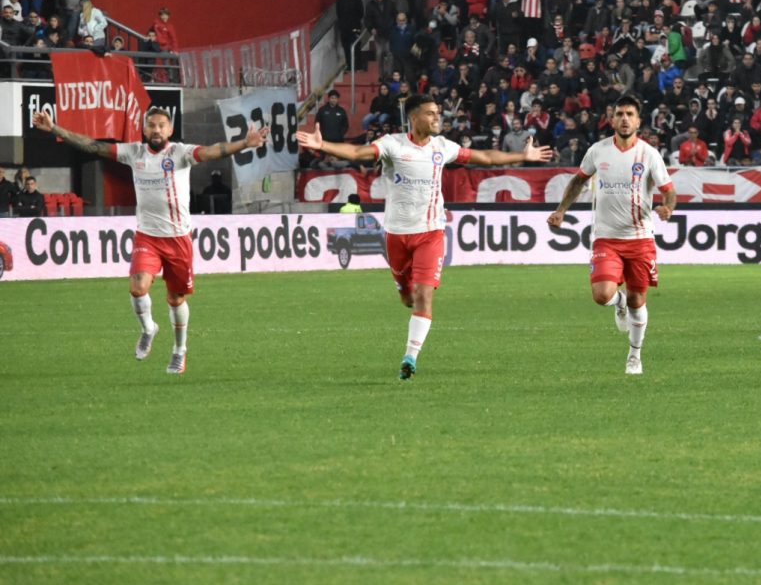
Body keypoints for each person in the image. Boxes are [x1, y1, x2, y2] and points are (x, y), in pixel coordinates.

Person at [296, 94, 553, 380]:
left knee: (423, 294)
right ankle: (403, 293)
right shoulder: (393, 144)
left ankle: (410, 357)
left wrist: (523, 156)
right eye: (430, 113)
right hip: (396, 234)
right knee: (407, 298)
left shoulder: (443, 147)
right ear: (415, 118)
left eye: (438, 113)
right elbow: (358, 154)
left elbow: (485, 157)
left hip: (430, 233)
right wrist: (323, 146)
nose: (436, 118)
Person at [32, 107, 269, 375]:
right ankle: (148, 328)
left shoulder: (180, 153)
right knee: (137, 287)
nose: (156, 130)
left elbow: (214, 150)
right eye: (152, 126)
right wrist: (55, 128)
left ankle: (179, 351)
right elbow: (94, 147)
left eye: (161, 126)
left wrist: (245, 144)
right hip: (148, 236)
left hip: (178, 238)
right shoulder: (134, 153)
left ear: (169, 130)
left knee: (176, 299)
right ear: (144, 129)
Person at [547, 95, 678, 376]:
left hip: (640, 238)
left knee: (637, 301)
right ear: (611, 119)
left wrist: (668, 207)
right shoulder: (598, 151)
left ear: (639, 120)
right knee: (601, 294)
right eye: (619, 113)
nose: (624, 118)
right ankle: (616, 303)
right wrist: (561, 210)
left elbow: (668, 189)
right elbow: (579, 180)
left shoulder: (649, 154)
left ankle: (634, 355)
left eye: (630, 114)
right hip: (606, 237)